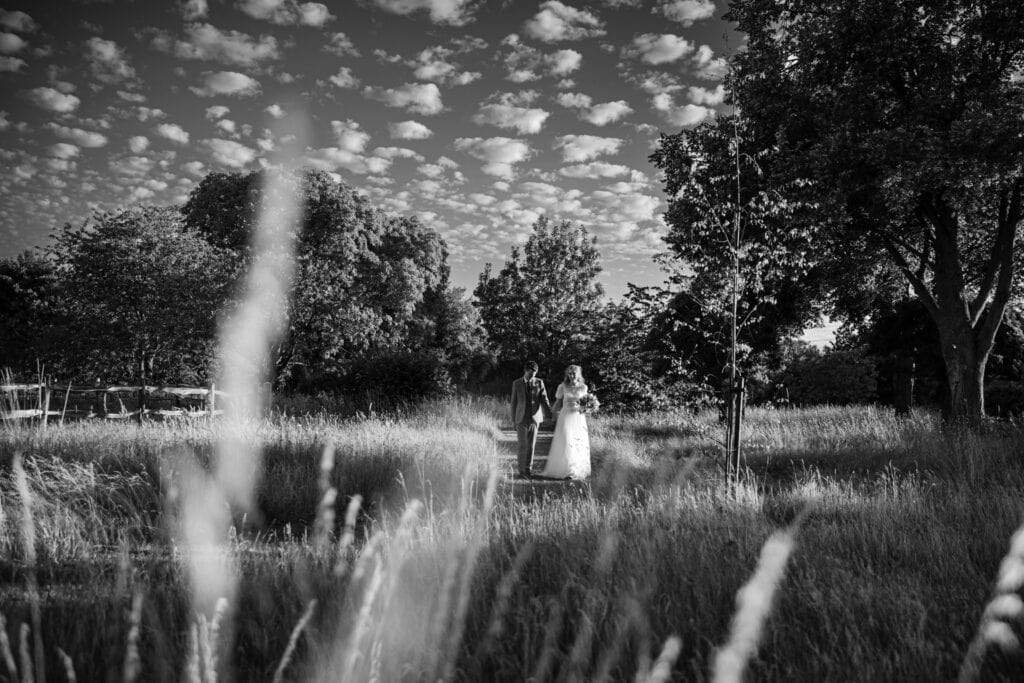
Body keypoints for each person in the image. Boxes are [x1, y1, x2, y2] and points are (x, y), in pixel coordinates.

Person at [541, 364, 591, 480]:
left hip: (578, 417)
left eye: (573, 373)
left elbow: (585, 403)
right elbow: (558, 402)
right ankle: (566, 470)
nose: (571, 375)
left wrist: (588, 409)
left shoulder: (583, 387)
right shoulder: (562, 386)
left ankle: (575, 470)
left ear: (578, 374)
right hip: (565, 416)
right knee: (566, 440)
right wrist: (551, 414)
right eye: (569, 373)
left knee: (577, 442)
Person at [510, 360, 552, 480]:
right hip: (521, 419)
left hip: (534, 419)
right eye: (530, 374)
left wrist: (549, 414)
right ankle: (521, 470)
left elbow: (545, 399)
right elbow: (513, 403)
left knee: (531, 446)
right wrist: (513, 420)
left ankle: (528, 470)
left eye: (534, 374)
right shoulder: (516, 383)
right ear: (525, 371)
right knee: (522, 445)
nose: (532, 376)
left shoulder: (539, 382)